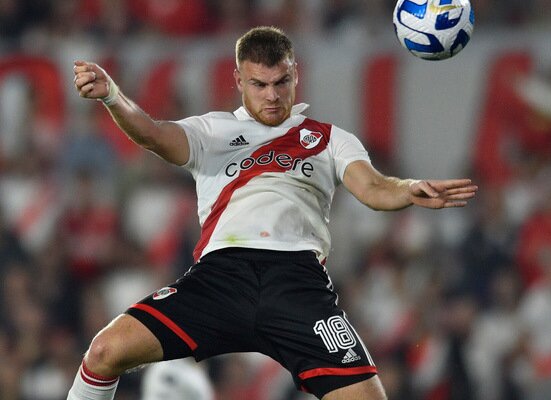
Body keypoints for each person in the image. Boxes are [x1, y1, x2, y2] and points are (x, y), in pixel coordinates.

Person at [67, 26, 477, 400]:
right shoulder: (213, 131)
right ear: (238, 81)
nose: (272, 95)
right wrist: (112, 96)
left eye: (281, 82)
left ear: (295, 75)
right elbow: (153, 135)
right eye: (259, 84)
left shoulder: (329, 139)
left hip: (296, 284)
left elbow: (372, 187)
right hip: (220, 278)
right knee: (104, 351)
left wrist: (408, 189)